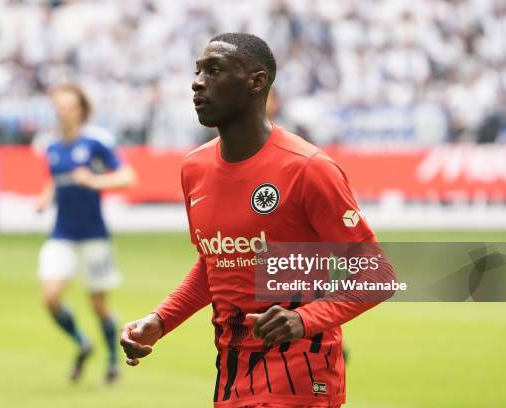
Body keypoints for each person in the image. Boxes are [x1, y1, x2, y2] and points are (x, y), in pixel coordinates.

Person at [120, 33, 394, 407]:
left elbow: (378, 275)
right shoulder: (194, 169)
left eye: (213, 71)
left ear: (256, 81)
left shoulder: (308, 169)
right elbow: (214, 264)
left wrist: (306, 319)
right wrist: (161, 320)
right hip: (233, 373)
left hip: (302, 372)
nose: (197, 82)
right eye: (198, 71)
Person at [36, 83, 135, 384]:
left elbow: (128, 177)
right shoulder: (51, 147)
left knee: (99, 306)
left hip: (94, 235)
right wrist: (45, 196)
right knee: (51, 297)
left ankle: (112, 359)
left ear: (80, 110)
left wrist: (94, 181)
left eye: (67, 106)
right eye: (58, 106)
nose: (61, 111)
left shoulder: (96, 142)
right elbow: (56, 180)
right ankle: (82, 342)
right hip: (62, 234)